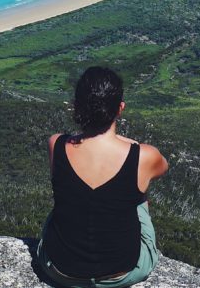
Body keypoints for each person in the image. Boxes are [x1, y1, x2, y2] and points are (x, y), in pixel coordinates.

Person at [35, 66, 169, 288]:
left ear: (77, 107)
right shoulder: (144, 155)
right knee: (139, 194)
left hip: (58, 270)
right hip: (123, 274)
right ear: (120, 108)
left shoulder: (56, 144)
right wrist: (130, 144)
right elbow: (163, 168)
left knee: (67, 201)